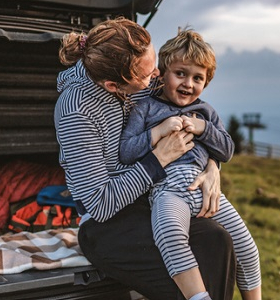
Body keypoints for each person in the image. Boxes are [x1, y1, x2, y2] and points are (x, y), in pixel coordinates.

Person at [55, 18, 236, 300]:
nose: (157, 75)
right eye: (148, 73)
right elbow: (100, 205)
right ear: (114, 86)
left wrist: (212, 166)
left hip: (155, 200)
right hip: (107, 225)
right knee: (186, 277)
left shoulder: (145, 80)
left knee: (218, 240)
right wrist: (157, 160)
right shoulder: (76, 112)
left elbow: (194, 116)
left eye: (154, 66)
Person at [119, 29, 262, 300]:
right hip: (167, 190)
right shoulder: (146, 109)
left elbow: (227, 150)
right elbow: (126, 152)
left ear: (206, 83)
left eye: (198, 78)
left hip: (208, 193)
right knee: (170, 236)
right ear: (162, 72)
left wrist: (203, 128)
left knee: (247, 248)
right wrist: (158, 132)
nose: (188, 83)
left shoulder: (206, 112)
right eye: (180, 74)